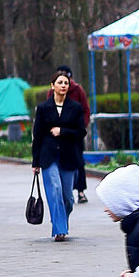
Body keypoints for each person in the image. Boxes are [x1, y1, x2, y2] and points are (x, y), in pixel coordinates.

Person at [31, 71, 87, 241]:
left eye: (66, 83)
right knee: (54, 190)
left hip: (68, 156)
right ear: (52, 86)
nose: (63, 85)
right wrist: (35, 162)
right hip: (48, 157)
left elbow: (81, 132)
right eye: (60, 82)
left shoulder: (75, 108)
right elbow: (37, 135)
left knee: (68, 198)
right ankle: (59, 230)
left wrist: (62, 131)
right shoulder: (43, 108)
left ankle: (61, 221)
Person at [56, 65, 91, 203]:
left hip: (75, 134)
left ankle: (81, 191)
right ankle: (64, 190)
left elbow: (86, 110)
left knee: (78, 161)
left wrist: (82, 126)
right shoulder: (52, 92)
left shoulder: (77, 91)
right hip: (59, 135)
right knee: (59, 161)